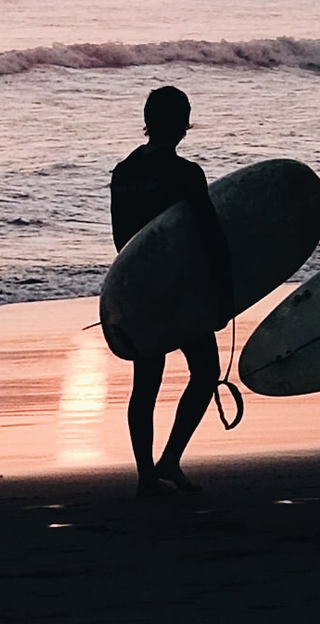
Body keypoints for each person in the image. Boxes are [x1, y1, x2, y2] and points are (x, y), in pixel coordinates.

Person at [110, 86, 233, 497]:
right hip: (182, 293)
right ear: (183, 124)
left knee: (146, 384)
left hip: (141, 292)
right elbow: (210, 237)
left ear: (148, 121)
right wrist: (225, 291)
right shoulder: (186, 175)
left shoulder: (123, 173)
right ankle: (170, 459)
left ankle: (147, 474)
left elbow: (121, 244)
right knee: (205, 373)